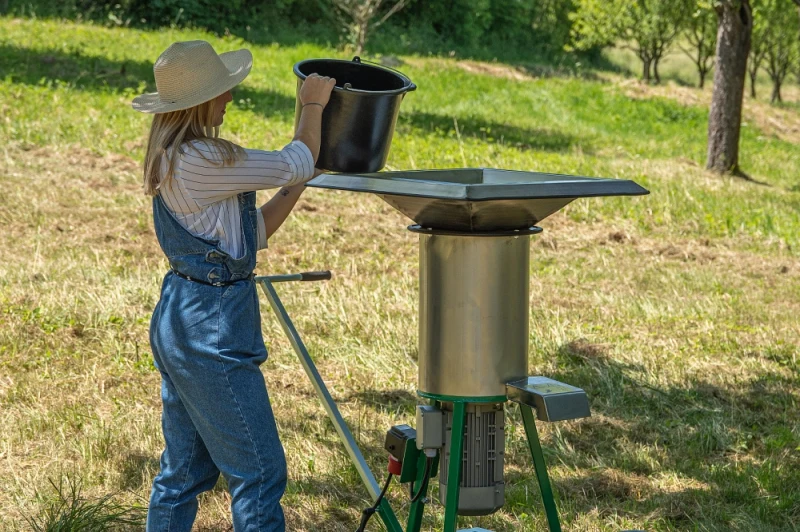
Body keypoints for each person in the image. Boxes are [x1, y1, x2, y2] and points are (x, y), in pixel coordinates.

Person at [131, 40, 335, 531]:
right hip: (212, 326)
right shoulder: (203, 159)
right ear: (201, 102)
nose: (229, 100)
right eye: (223, 92)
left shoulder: (176, 158)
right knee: (260, 473)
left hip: (183, 316)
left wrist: (299, 182)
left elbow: (252, 234)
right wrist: (311, 104)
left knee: (183, 472)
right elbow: (296, 158)